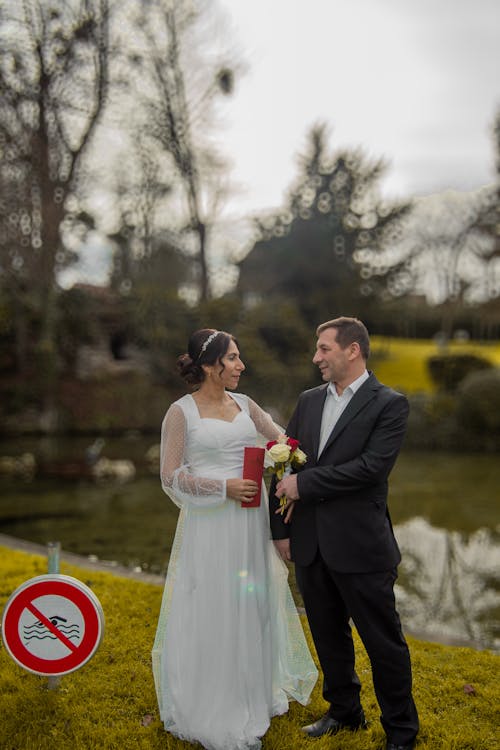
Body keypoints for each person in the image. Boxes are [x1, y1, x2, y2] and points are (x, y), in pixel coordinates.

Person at [152, 328, 317, 750]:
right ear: (210, 365)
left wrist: (286, 468)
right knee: (216, 601)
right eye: (233, 359)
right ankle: (214, 699)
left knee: (253, 599)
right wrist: (222, 488)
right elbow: (169, 475)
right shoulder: (181, 413)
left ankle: (254, 692)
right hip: (212, 525)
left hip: (251, 521)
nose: (241, 366)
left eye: (240, 358)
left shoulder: (245, 404)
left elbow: (284, 441)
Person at [271, 317, 419, 750]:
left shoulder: (390, 403)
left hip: (362, 545)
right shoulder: (308, 400)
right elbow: (283, 464)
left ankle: (401, 732)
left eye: (324, 349)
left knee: (383, 643)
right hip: (311, 543)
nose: (316, 357)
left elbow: (372, 468)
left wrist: (307, 485)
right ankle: (344, 712)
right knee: (328, 635)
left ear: (352, 350)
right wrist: (281, 529)